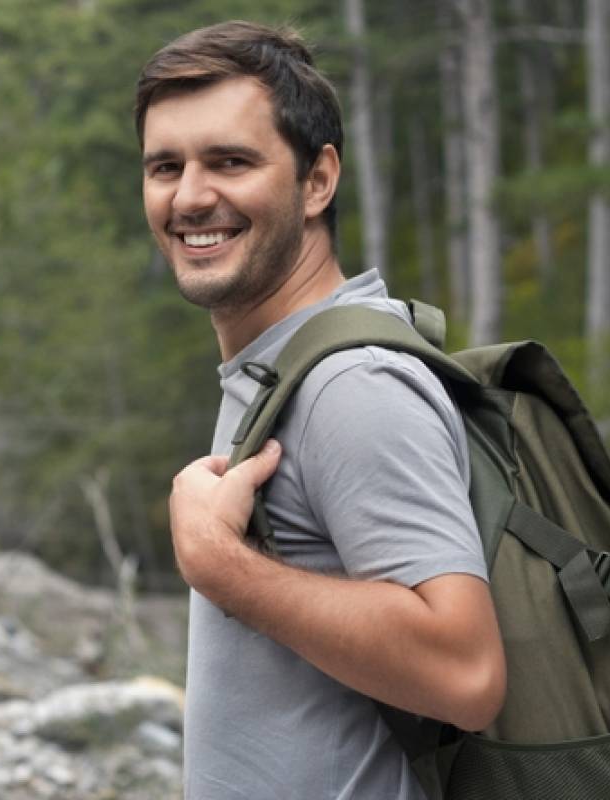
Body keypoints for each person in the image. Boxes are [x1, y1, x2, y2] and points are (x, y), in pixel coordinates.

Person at [140, 21, 506, 799]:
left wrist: (222, 567)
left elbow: (466, 671)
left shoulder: (352, 387)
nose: (191, 195)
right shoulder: (282, 368)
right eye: (165, 166)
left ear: (317, 180)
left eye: (230, 162)